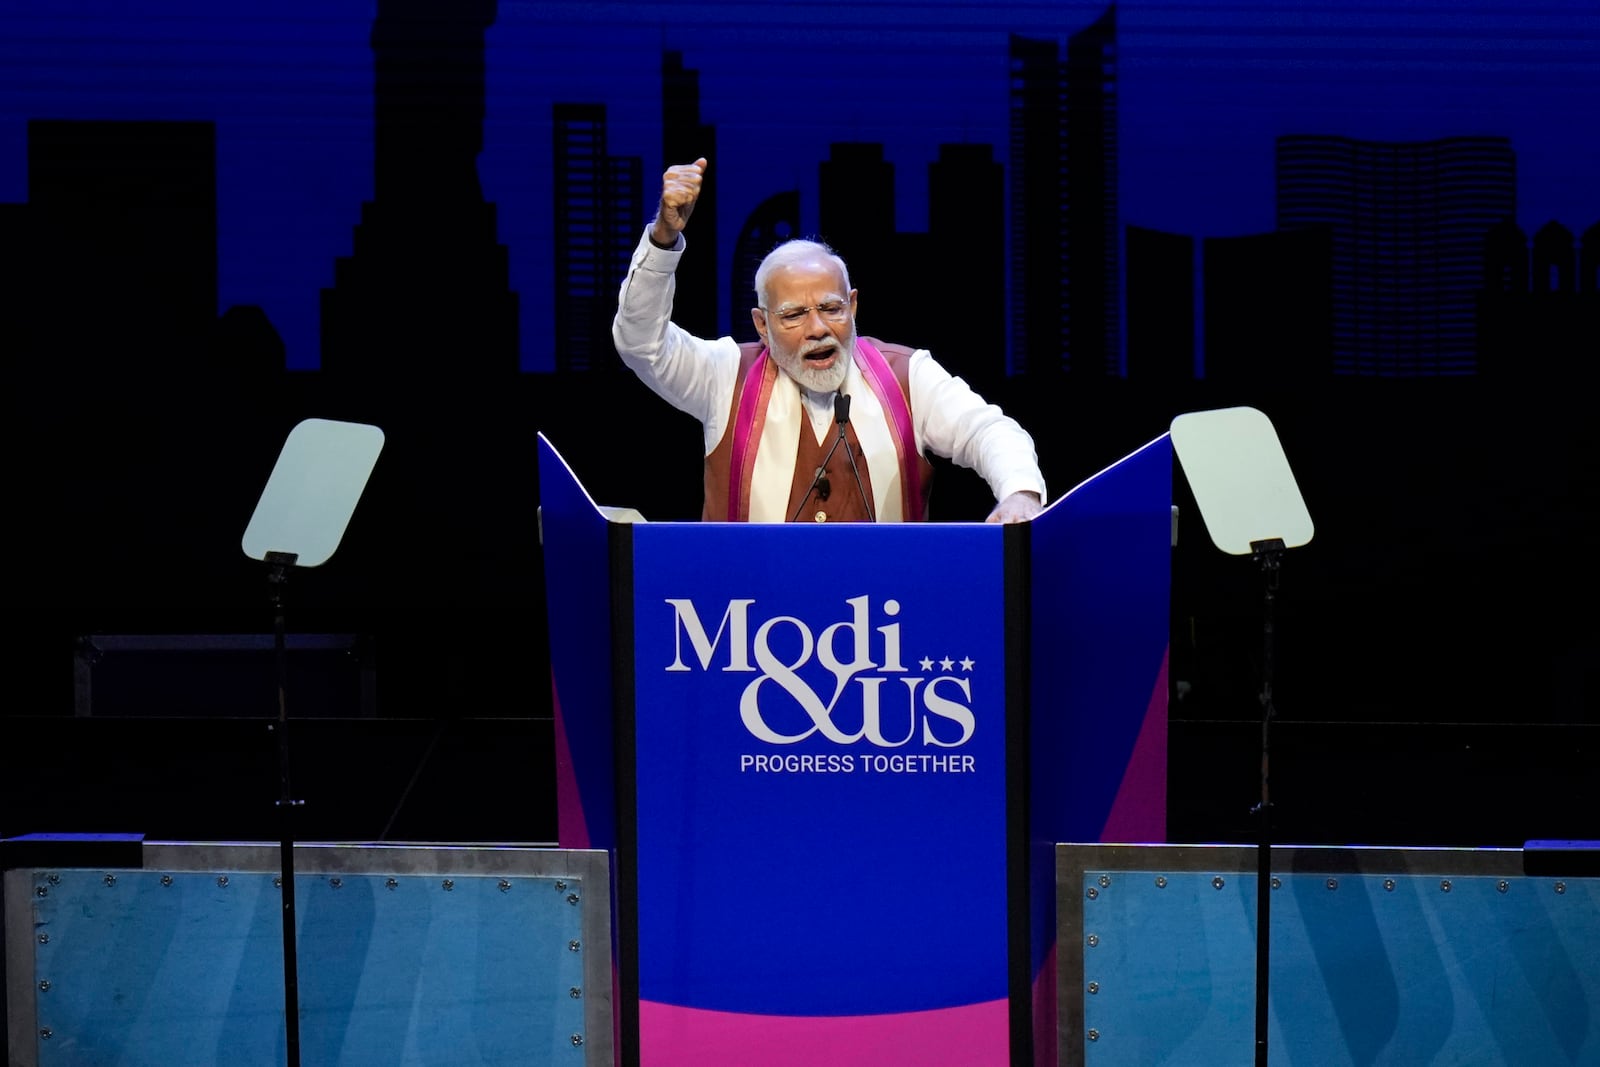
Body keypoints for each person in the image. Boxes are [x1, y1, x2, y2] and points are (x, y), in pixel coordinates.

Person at [612, 156, 1046, 524]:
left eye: (831, 308)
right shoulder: (724, 376)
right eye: (794, 315)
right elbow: (642, 343)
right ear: (762, 326)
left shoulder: (907, 377)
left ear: (853, 307)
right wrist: (663, 240)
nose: (818, 328)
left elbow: (989, 430)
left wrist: (1020, 493)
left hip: (884, 616)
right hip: (751, 614)